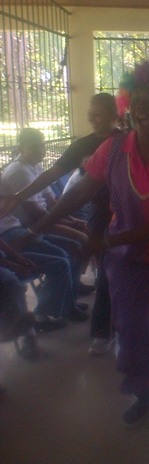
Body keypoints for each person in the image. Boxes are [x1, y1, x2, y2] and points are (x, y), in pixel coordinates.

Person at [27, 61, 149, 426]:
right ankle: (143, 391)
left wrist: (108, 239)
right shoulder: (112, 149)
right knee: (131, 326)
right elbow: (79, 191)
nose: (142, 107)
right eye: (136, 100)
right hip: (126, 256)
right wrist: (39, 226)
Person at [0, 93, 120, 355]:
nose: (91, 117)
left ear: (114, 114)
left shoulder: (126, 141)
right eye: (90, 112)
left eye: (98, 112)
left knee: (119, 269)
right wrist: (19, 198)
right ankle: (101, 329)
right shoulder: (82, 146)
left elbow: (53, 200)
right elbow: (52, 178)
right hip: (98, 214)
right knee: (105, 269)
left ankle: (111, 319)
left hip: (127, 212)